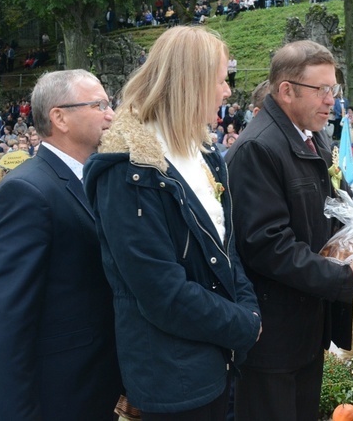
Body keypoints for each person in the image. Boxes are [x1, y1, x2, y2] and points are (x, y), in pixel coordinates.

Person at [84, 27, 260, 419]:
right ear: (191, 84)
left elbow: (226, 248)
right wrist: (243, 325)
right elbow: (161, 292)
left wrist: (248, 310)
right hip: (173, 375)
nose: (227, 91)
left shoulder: (204, 153)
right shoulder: (127, 171)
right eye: (220, 81)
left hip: (217, 357)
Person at [225, 40, 353, 421]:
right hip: (273, 335)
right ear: (286, 91)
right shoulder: (259, 147)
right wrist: (342, 276)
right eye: (321, 90)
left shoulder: (310, 136)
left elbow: (331, 208)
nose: (331, 101)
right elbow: (267, 246)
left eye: (333, 90)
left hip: (304, 324)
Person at [0, 70, 122, 418]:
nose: (111, 114)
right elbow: (3, 316)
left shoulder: (97, 179)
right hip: (54, 395)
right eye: (99, 104)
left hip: (94, 387)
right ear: (60, 117)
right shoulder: (26, 190)